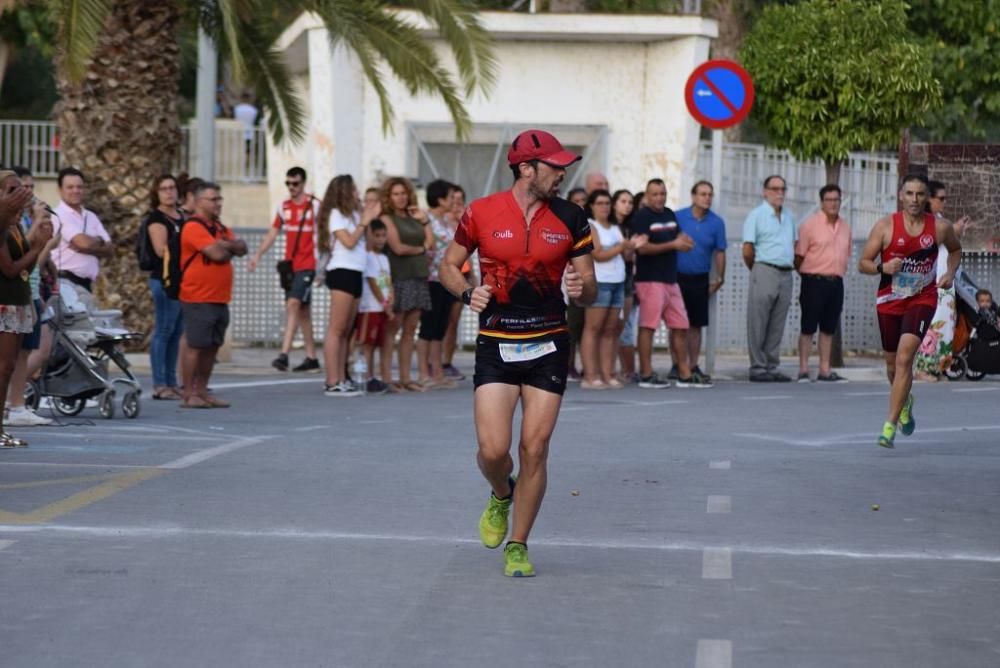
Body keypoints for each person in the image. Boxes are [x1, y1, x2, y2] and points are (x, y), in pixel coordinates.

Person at [440, 128, 596, 577]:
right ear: (526, 168)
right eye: (555, 166)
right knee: (493, 450)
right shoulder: (481, 212)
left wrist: (581, 287)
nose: (563, 173)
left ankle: (518, 545)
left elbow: (590, 288)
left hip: (549, 342)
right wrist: (468, 293)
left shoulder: (572, 217)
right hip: (497, 343)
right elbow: (448, 266)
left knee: (535, 448)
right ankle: (500, 493)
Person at [858, 174, 961, 448]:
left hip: (922, 299)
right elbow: (863, 263)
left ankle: (889, 427)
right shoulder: (884, 227)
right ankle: (905, 401)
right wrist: (883, 267)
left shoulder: (939, 228)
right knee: (892, 366)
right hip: (890, 300)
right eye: (910, 194)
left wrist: (950, 273)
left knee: (905, 358)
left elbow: (955, 250)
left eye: (920, 194)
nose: (914, 199)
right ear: (901, 195)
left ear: (926, 197)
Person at [632, 178, 709, 388]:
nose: (659, 198)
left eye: (662, 193)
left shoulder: (669, 214)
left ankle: (684, 372)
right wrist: (673, 244)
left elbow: (676, 238)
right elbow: (642, 249)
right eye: (655, 194)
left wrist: (683, 241)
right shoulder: (642, 217)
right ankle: (646, 373)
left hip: (670, 278)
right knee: (648, 326)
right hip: (650, 279)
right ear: (647, 196)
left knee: (681, 325)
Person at [179, 182, 247, 408]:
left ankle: (202, 390)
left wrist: (224, 244)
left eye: (219, 199)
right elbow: (217, 254)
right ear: (198, 202)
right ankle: (189, 393)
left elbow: (242, 247)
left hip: (219, 296)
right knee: (196, 345)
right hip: (198, 296)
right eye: (213, 199)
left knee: (212, 346)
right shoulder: (193, 227)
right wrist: (227, 247)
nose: (218, 203)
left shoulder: (218, 228)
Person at [248, 167, 321, 373]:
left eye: (295, 184)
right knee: (303, 312)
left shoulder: (315, 205)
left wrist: (323, 265)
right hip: (290, 266)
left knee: (293, 304)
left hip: (308, 264)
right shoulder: (283, 207)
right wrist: (258, 255)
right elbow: (273, 233)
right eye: (288, 184)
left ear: (303, 183)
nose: (291, 188)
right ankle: (311, 357)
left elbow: (325, 233)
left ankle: (284, 354)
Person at [0, 169, 53, 446]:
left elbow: (25, 268)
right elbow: (9, 269)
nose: (20, 194)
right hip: (4, 303)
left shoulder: (15, 224)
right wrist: (37, 248)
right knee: (4, 365)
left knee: (8, 367)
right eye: (11, 190)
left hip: (18, 301)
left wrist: (38, 245)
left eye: (20, 189)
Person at [317, 174, 379, 397]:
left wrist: (368, 217)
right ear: (343, 191)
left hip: (356, 272)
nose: (357, 193)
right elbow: (349, 242)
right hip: (341, 271)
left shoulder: (354, 214)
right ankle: (332, 380)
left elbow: (367, 243)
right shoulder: (336, 215)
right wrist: (364, 221)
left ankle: (342, 377)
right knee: (336, 328)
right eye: (353, 189)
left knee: (347, 331)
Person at [580, 188, 644, 389]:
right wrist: (622, 246)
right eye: (600, 203)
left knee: (610, 330)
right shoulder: (591, 226)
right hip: (601, 282)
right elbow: (597, 254)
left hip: (617, 281)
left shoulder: (615, 228)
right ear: (591, 206)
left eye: (607, 203)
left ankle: (607, 373)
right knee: (593, 329)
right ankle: (590, 375)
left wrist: (632, 246)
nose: (605, 207)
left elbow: (623, 256)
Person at [794, 184, 852, 383]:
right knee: (808, 326)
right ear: (821, 202)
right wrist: (808, 274)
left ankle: (824, 370)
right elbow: (799, 256)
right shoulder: (809, 225)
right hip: (813, 280)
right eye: (829, 200)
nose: (833, 204)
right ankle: (803, 369)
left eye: (836, 200)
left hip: (836, 282)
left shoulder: (845, 227)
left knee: (828, 328)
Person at [380, 177, 433, 393]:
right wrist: (421, 249)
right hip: (398, 278)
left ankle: (404, 377)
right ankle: (386, 377)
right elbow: (398, 248)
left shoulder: (414, 217)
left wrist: (425, 221)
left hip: (419, 277)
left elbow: (431, 243)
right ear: (389, 197)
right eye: (396, 194)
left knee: (411, 330)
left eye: (403, 193)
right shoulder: (386, 218)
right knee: (393, 329)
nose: (400, 197)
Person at [743, 175, 796, 382]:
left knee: (777, 322)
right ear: (764, 191)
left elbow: (792, 244)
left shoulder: (789, 217)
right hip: (764, 268)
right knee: (758, 321)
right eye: (774, 189)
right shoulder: (756, 215)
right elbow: (748, 249)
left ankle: (772, 366)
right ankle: (757, 366)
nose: (779, 193)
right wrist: (757, 269)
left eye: (782, 189)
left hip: (785, 272)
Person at [914, 181, 969, 381]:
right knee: (932, 324)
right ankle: (923, 367)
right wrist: (952, 230)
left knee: (945, 323)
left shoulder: (940, 221)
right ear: (929, 198)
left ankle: (937, 366)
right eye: (941, 198)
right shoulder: (924, 221)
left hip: (946, 280)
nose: (944, 202)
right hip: (932, 281)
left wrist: (956, 232)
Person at [675, 180, 727, 380]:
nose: (707, 198)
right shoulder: (679, 217)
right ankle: (677, 364)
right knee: (678, 324)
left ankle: (693, 364)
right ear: (693, 196)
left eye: (710, 195)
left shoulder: (717, 222)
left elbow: (720, 252)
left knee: (696, 324)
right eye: (703, 194)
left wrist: (719, 277)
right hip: (678, 277)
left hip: (700, 278)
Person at [141, 174, 186, 400]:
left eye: (172, 188)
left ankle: (171, 380)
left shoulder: (182, 217)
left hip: (181, 281)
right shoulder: (157, 220)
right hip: (164, 280)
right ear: (156, 193)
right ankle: (160, 383)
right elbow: (161, 250)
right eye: (164, 189)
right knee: (164, 330)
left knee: (177, 331)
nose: (169, 192)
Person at [416, 179, 459, 389]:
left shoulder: (445, 221)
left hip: (445, 280)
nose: (453, 201)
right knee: (428, 327)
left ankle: (437, 371)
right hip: (429, 279)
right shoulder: (426, 219)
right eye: (450, 197)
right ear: (440, 199)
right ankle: (424, 372)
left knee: (440, 327)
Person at [52, 167, 112, 294]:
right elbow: (83, 242)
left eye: (79, 187)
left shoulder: (91, 216)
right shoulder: (58, 215)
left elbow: (110, 249)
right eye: (70, 187)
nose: (76, 191)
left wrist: (90, 245)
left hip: (87, 284)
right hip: (65, 282)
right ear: (60, 190)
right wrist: (98, 242)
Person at [355, 219, 394, 394]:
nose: (380, 240)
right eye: (377, 236)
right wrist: (384, 303)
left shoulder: (384, 258)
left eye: (383, 236)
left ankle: (373, 376)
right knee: (368, 344)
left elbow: (387, 281)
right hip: (370, 306)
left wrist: (391, 298)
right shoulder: (367, 256)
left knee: (379, 342)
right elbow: (372, 283)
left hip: (382, 307)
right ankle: (367, 377)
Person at [611, 189, 638, 381]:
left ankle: (626, 371)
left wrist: (632, 248)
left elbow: (629, 256)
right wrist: (627, 247)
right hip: (608, 278)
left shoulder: (630, 227)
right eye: (623, 201)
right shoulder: (607, 226)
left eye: (630, 202)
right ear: (615, 203)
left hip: (626, 277)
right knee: (607, 326)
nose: (627, 205)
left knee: (623, 324)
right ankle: (606, 370)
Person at [442, 184, 468, 380]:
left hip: (463, 273)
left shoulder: (466, 221)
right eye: (454, 199)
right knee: (441, 320)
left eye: (460, 200)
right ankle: (436, 360)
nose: (456, 203)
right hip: (444, 274)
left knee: (453, 321)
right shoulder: (441, 220)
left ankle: (447, 361)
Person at [233, 93, 260, 179]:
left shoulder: (237, 109)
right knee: (249, 153)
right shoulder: (253, 110)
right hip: (250, 134)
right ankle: (248, 170)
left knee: (240, 153)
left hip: (238, 133)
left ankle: (242, 170)